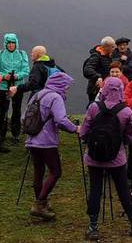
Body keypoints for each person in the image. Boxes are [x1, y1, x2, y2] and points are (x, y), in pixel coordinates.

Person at [80, 78, 132, 240]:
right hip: (117, 158)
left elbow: (84, 132)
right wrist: (119, 145)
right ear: (120, 90)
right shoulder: (126, 111)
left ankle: (93, 227)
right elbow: (130, 137)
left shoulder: (94, 107)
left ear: (104, 89)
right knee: (123, 188)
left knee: (95, 189)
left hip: (94, 156)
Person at [25, 72, 79, 221]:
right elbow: (61, 120)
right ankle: (39, 205)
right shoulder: (56, 97)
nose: (66, 89)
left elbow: (25, 117)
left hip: (31, 139)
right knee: (55, 171)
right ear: (60, 84)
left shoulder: (38, 95)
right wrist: (75, 129)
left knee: (39, 171)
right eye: (66, 86)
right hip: (46, 141)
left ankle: (41, 204)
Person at [0, 33, 30, 144]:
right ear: (5, 43)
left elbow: (26, 70)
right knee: (2, 111)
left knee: (16, 110)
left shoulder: (22, 54)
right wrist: (4, 76)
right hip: (2, 87)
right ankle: (1, 134)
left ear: (16, 43)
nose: (11, 45)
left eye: (13, 43)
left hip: (17, 87)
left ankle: (16, 133)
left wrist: (17, 76)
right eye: (9, 43)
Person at [83, 36, 116, 102]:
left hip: (105, 88)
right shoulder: (96, 56)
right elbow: (87, 69)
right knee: (94, 108)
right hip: (96, 89)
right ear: (106, 47)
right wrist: (98, 77)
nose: (114, 48)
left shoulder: (108, 56)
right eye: (112, 47)